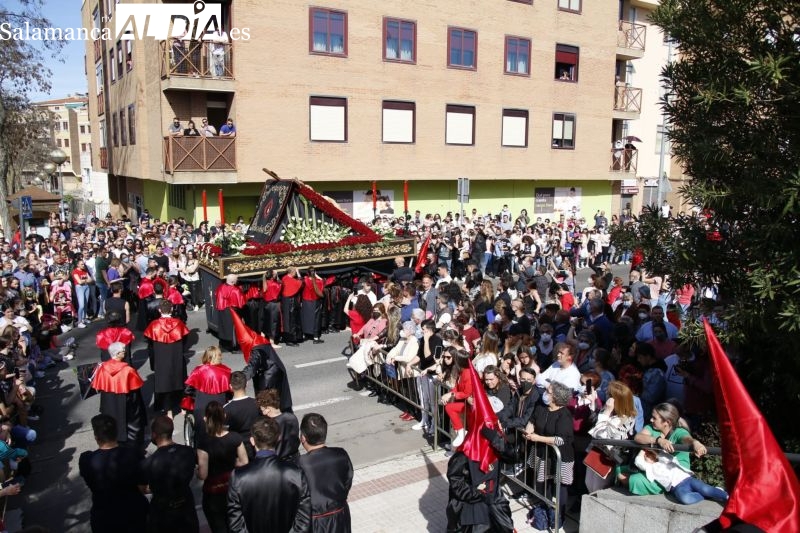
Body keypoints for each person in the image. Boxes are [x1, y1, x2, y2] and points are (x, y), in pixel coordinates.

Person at [227, 417, 312, 532]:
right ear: (278, 439)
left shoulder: (238, 477)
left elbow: (236, 523)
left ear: (252, 441)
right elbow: (304, 518)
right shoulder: (295, 473)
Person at [621, 402, 710, 497]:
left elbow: (687, 439)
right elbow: (638, 437)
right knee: (620, 469)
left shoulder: (679, 432)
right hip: (655, 469)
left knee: (634, 480)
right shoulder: (652, 428)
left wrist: (695, 443)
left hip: (675, 474)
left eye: (654, 418)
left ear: (667, 422)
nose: (651, 420)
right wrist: (658, 440)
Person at [79, 414, 149, 533]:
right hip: (134, 515)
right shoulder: (133, 455)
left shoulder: (86, 459)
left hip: (104, 519)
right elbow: (143, 487)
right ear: (116, 434)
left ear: (96, 437)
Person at [523, 380, 575, 530]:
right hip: (543, 453)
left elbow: (561, 439)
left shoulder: (564, 415)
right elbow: (532, 420)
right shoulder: (541, 408)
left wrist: (538, 438)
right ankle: (546, 509)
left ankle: (560, 516)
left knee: (560, 486)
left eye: (549, 391)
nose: (545, 393)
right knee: (544, 482)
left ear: (556, 397)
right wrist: (529, 429)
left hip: (560, 456)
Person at [140, 416, 199, 533]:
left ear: (154, 435)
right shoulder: (188, 452)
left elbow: (143, 488)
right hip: (186, 505)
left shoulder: (148, 463)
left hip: (162, 511)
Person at [197, 401, 248, 533]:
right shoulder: (235, 438)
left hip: (213, 494)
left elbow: (203, 474)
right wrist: (233, 463)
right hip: (233, 489)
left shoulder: (204, 443)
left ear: (205, 419)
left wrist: (197, 471)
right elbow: (244, 461)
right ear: (224, 416)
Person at [298, 413, 353, 533]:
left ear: (303, 438)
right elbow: (347, 481)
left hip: (315, 522)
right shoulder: (341, 454)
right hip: (340, 514)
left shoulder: (299, 464)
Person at [91, 342, 147, 451]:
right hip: (127, 400)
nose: (125, 352)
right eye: (123, 351)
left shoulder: (102, 368)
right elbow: (135, 392)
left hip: (109, 400)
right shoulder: (128, 370)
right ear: (117, 354)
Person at [585, 380, 638, 492]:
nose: (606, 396)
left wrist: (607, 411)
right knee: (588, 484)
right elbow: (595, 422)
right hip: (596, 452)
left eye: (609, 394)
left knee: (597, 489)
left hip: (608, 458)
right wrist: (593, 403)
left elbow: (600, 434)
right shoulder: (609, 411)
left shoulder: (625, 419)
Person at [144, 299, 190, 418]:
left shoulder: (154, 325)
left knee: (165, 385)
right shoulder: (179, 323)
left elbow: (150, 343)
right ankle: (182, 406)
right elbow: (185, 340)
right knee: (179, 381)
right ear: (172, 309)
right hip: (176, 356)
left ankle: (169, 411)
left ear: (159, 310)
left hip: (161, 358)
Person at [634, 447, 728, 505]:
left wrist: (653, 451)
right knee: (685, 499)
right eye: (644, 456)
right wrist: (643, 450)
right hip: (676, 487)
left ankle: (727, 497)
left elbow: (663, 452)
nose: (645, 457)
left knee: (705, 489)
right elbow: (638, 462)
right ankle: (706, 496)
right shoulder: (649, 468)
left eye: (648, 454)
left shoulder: (663, 458)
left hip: (687, 479)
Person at [184, 346, 232, 447]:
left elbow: (188, 390)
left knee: (201, 432)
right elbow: (229, 392)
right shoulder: (226, 372)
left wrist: (196, 395)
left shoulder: (198, 370)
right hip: (219, 404)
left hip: (202, 403)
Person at [257, 389, 300, 463]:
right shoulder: (292, 417)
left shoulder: (270, 426)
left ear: (268, 408)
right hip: (295, 458)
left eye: (262, 410)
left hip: (279, 462)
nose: (263, 413)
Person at [440, 350, 473, 448]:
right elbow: (457, 387)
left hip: (469, 404)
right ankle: (460, 435)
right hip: (463, 402)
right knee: (449, 408)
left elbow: (466, 393)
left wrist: (451, 395)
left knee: (450, 408)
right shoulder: (461, 371)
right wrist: (449, 394)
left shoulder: (468, 373)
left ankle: (461, 432)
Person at [224, 371, 260, 460]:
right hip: (255, 446)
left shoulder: (226, 409)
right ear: (246, 384)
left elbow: (224, 432)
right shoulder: (257, 404)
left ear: (230, 387)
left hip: (237, 451)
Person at [214, 274, 245, 352]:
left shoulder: (220, 287)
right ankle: (234, 348)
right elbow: (241, 304)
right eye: (236, 279)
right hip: (232, 311)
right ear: (233, 281)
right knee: (233, 329)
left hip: (222, 309)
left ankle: (224, 346)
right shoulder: (235, 290)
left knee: (224, 327)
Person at [301, 267, 324, 344]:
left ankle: (305, 334)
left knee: (306, 318)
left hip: (305, 301)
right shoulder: (318, 281)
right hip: (314, 301)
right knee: (316, 319)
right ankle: (316, 338)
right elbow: (322, 282)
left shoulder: (305, 280)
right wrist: (316, 275)